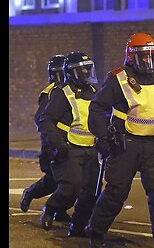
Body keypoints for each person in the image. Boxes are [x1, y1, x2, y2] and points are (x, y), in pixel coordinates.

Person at [84, 32, 154, 248]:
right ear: (132, 57)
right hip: (124, 144)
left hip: (150, 145)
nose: (148, 61)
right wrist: (106, 136)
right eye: (144, 56)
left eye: (152, 55)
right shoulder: (118, 78)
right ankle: (95, 231)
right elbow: (97, 108)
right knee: (116, 192)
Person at [36, 52, 100, 238]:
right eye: (82, 69)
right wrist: (59, 144)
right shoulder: (62, 94)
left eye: (88, 68)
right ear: (72, 73)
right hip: (70, 148)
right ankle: (51, 208)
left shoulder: (95, 92)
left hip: (91, 148)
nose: (87, 72)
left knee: (91, 191)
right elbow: (45, 121)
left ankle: (78, 227)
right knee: (71, 187)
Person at [20, 55, 71, 223]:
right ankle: (31, 193)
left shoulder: (71, 91)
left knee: (72, 179)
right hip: (53, 145)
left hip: (72, 142)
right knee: (54, 181)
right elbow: (41, 119)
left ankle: (59, 209)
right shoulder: (49, 93)